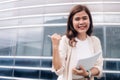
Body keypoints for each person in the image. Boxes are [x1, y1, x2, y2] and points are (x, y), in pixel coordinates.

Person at [50, 5, 103, 80]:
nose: (81, 22)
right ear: (71, 22)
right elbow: (59, 71)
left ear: (89, 20)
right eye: (77, 19)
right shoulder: (65, 40)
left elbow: (99, 67)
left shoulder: (95, 41)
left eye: (84, 18)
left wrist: (87, 73)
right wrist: (55, 46)